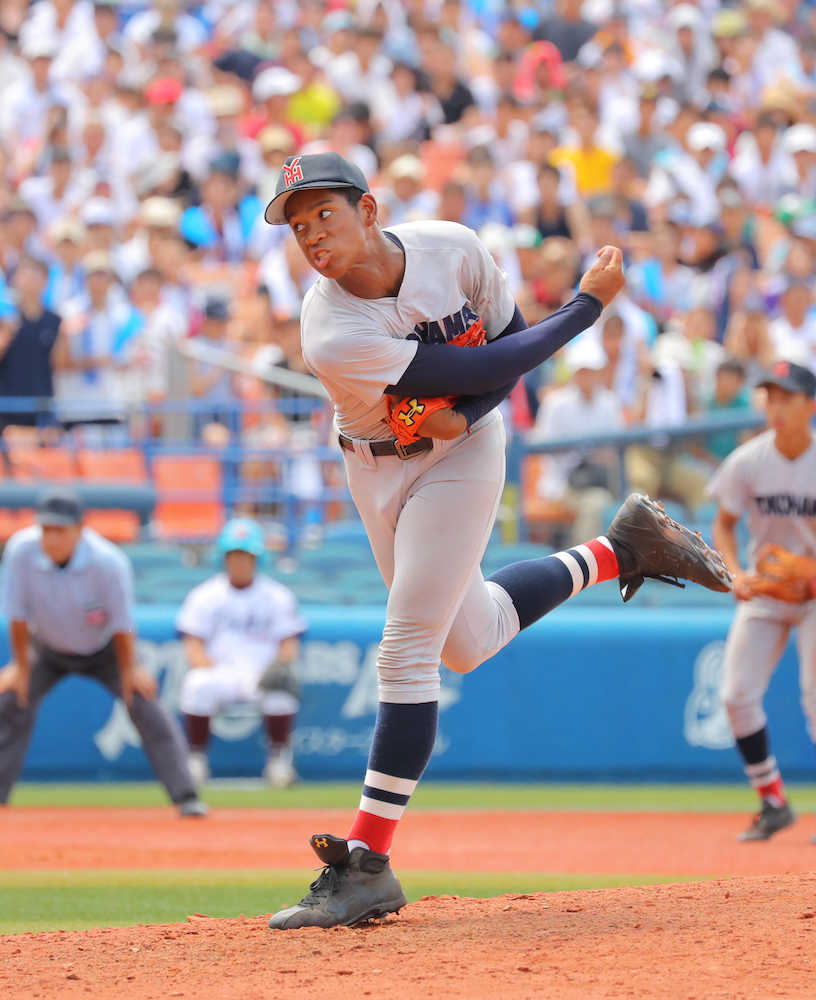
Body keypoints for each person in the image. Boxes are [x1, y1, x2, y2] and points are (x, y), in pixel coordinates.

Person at [259, 151, 732, 930]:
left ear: (369, 210)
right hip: (372, 467)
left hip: (464, 455)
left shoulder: (453, 248)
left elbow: (507, 358)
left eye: (324, 213)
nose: (310, 233)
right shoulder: (330, 327)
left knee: (406, 645)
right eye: (296, 223)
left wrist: (474, 415)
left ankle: (369, 864)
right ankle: (620, 549)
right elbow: (495, 358)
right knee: (465, 641)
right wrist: (584, 308)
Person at [0, 488, 206, 817]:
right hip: (47, 647)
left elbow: (122, 625)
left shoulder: (108, 562)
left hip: (104, 649)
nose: (50, 538)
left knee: (144, 703)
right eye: (45, 529)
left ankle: (186, 796)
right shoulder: (21, 551)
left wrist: (130, 671)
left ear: (80, 530)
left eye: (59, 530)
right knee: (11, 700)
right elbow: (17, 615)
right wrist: (20, 668)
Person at [710, 360, 816, 842]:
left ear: (810, 405)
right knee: (736, 695)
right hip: (769, 591)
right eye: (770, 397)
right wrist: (734, 573)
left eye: (786, 397)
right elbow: (725, 523)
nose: (775, 407)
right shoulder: (748, 461)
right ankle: (773, 801)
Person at [176, 517, 306, 788]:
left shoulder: (277, 595)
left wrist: (279, 667)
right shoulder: (205, 594)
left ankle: (278, 762)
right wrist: (203, 664)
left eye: (245, 555)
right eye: (234, 554)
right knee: (196, 684)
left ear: (257, 558)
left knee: (281, 690)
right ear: (223, 557)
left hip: (261, 674)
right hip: (220, 672)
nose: (239, 561)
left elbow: (288, 644)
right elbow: (193, 643)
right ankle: (195, 761)